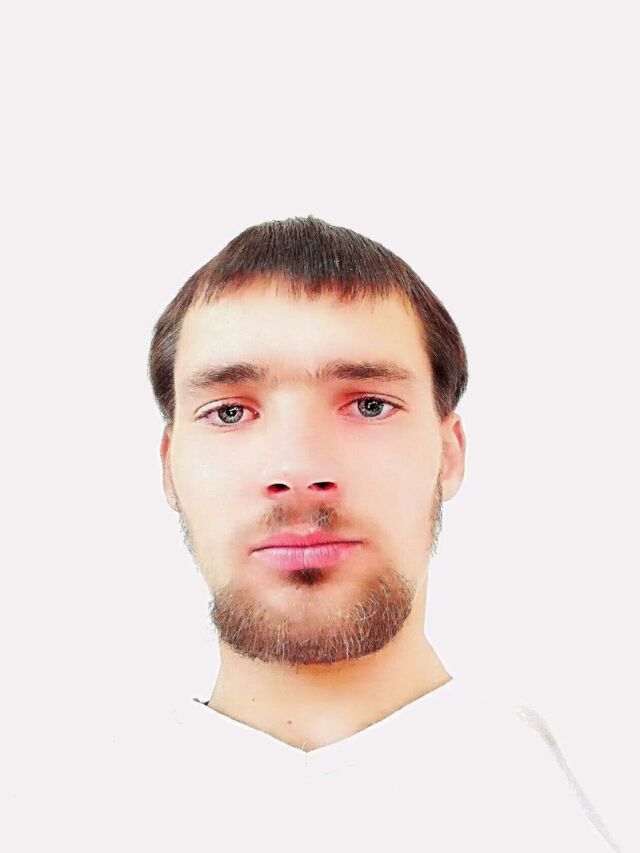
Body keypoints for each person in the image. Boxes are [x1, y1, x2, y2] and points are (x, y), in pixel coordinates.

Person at [142, 216, 622, 851]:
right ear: (170, 468)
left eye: (369, 404)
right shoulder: (54, 817)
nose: (297, 468)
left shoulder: (605, 805)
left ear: (449, 453)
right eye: (229, 412)